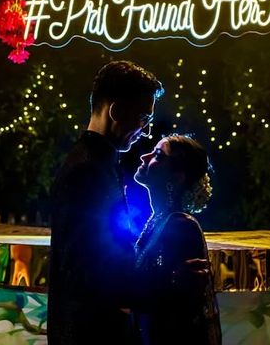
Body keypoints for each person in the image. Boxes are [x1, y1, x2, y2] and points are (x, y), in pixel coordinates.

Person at [47, 60, 207, 344]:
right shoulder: (88, 170)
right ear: (117, 111)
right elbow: (88, 273)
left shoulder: (98, 163)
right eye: (143, 118)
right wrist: (169, 279)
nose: (145, 131)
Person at [133, 134, 222, 345]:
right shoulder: (159, 220)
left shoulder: (180, 226)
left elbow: (180, 307)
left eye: (157, 155)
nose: (144, 157)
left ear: (177, 177)